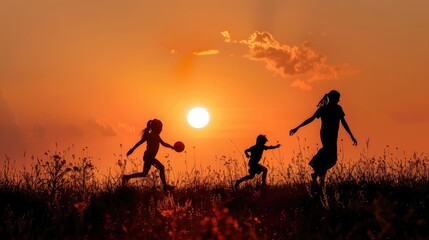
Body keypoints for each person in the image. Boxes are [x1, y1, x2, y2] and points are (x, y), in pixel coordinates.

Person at [290, 90, 357, 188]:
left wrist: (351, 135)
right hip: (327, 135)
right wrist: (297, 127)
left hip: (332, 136)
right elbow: (311, 119)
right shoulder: (326, 109)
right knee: (331, 158)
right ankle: (319, 178)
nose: (339, 100)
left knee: (328, 158)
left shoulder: (337, 109)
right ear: (332, 98)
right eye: (337, 98)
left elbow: (343, 122)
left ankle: (317, 176)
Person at [122, 119, 175, 191]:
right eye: (160, 128)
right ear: (155, 128)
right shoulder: (150, 135)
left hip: (149, 157)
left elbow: (163, 143)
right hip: (148, 156)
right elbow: (140, 142)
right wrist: (132, 150)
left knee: (144, 173)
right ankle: (165, 186)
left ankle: (126, 177)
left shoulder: (157, 136)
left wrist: (172, 147)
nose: (161, 129)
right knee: (161, 167)